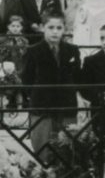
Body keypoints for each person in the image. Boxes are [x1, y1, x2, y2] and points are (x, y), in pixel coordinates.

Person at [21, 10, 81, 161]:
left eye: (59, 28)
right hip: (42, 107)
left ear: (65, 29)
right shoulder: (33, 51)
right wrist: (37, 95)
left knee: (66, 148)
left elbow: (76, 77)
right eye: (51, 27)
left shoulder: (72, 51)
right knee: (43, 150)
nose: (55, 32)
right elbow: (27, 79)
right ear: (42, 28)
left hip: (66, 105)